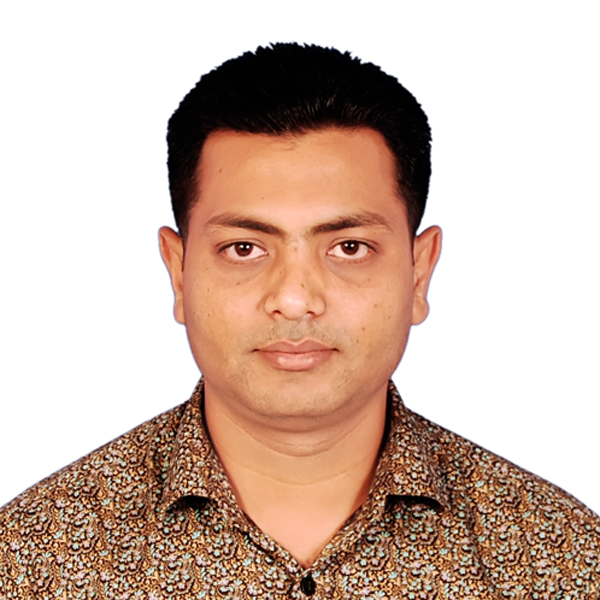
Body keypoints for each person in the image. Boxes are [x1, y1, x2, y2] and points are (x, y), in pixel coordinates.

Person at [0, 43, 598, 598]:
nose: (293, 299)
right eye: (244, 248)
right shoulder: (29, 561)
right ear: (179, 272)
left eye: (348, 247)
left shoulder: (566, 560)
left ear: (419, 273)